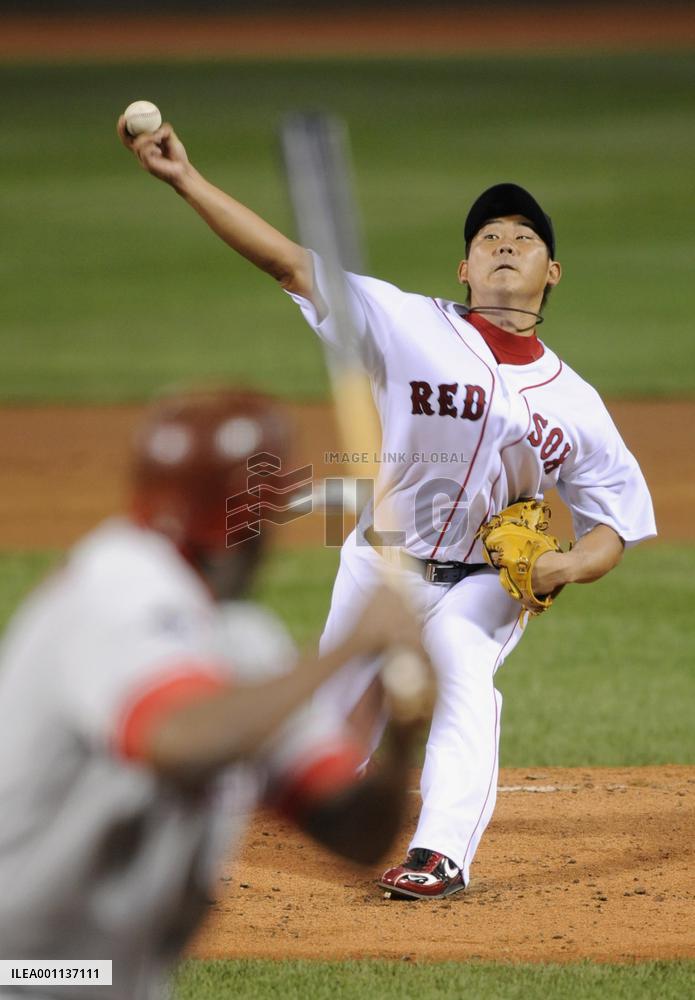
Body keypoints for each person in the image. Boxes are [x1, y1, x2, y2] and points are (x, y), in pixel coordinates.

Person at [117, 118, 656, 901]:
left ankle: (439, 853)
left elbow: (615, 522)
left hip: (483, 582)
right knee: (325, 739)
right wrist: (184, 179)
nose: (506, 243)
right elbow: (287, 263)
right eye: (489, 237)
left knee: (463, 676)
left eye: (524, 238)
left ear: (553, 272)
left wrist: (567, 563)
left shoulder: (576, 403)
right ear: (464, 268)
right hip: (380, 562)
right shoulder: (404, 324)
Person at [0, 387, 431, 1000]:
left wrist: (401, 729)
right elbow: (173, 738)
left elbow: (355, 834)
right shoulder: (114, 587)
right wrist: (344, 649)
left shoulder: (244, 643)